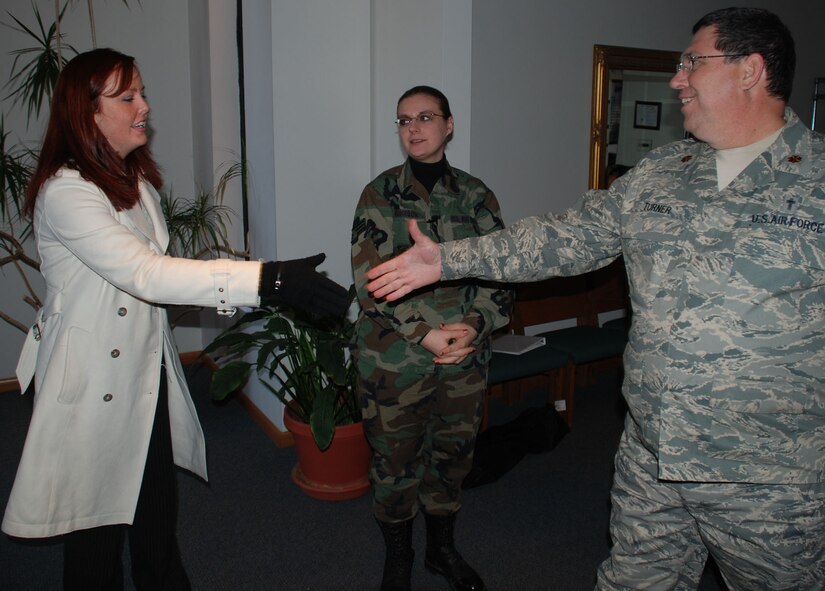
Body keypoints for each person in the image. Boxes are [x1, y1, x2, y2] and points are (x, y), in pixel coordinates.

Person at [366, 8, 825, 590]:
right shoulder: (664, 170)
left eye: (692, 63)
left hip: (768, 482)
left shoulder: (816, 181)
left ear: (750, 71)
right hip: (651, 459)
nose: (677, 78)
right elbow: (567, 237)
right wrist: (449, 259)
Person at [1, 48, 349, 590]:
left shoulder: (134, 181)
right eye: (128, 96)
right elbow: (145, 275)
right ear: (88, 112)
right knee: (94, 544)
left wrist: (263, 279)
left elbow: (163, 272)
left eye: (141, 91)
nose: (144, 105)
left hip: (145, 373)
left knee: (156, 519)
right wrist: (269, 280)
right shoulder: (66, 191)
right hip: (92, 385)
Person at [351, 85, 511, 591]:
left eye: (424, 117)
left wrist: (476, 325)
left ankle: (441, 552)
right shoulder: (379, 194)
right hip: (395, 361)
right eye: (403, 120)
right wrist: (426, 335)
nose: (413, 128)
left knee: (450, 459)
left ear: (449, 124)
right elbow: (370, 283)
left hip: (462, 357)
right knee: (394, 463)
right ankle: (398, 557)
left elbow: (502, 272)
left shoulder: (477, 194)